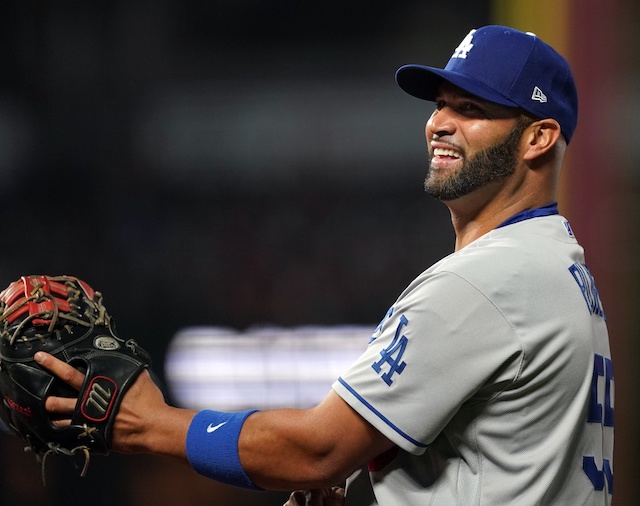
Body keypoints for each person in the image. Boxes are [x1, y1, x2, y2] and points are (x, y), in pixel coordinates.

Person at [36, 25, 614, 505]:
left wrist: (149, 423)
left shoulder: (489, 281)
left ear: (538, 138)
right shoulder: (558, 266)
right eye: (440, 104)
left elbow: (316, 450)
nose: (438, 123)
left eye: (471, 108)